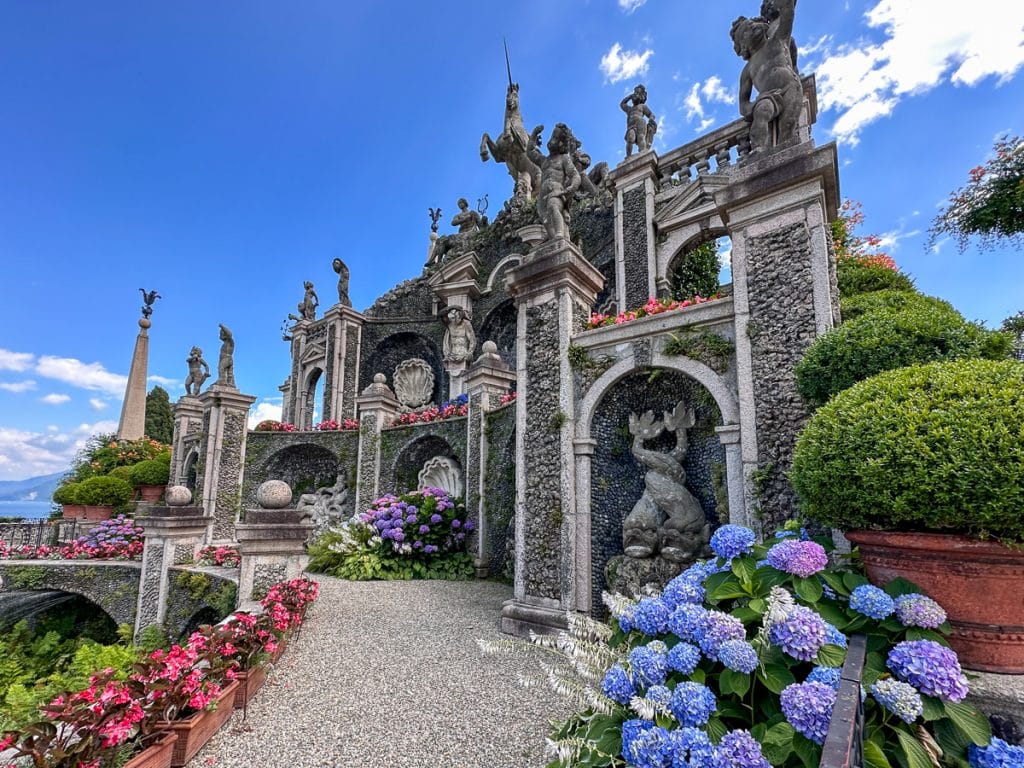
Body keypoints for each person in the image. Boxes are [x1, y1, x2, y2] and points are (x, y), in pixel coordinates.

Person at [731, 0, 801, 154]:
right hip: (768, 96)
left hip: (790, 86)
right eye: (747, 30)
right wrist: (753, 106)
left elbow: (787, 15)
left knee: (788, 125)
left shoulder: (778, 40)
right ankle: (758, 149)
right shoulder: (747, 70)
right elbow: (743, 104)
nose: (752, 27)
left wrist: (786, 3)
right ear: (743, 46)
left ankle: (787, 151)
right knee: (762, 112)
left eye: (752, 24)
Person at [620, 85, 657, 157]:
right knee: (630, 138)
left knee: (641, 137)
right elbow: (622, 104)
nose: (636, 94)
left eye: (638, 93)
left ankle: (643, 153)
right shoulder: (629, 109)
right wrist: (630, 96)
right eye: (635, 93)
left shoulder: (642, 106)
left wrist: (651, 119)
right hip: (631, 125)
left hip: (640, 123)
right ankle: (628, 157)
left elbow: (651, 114)